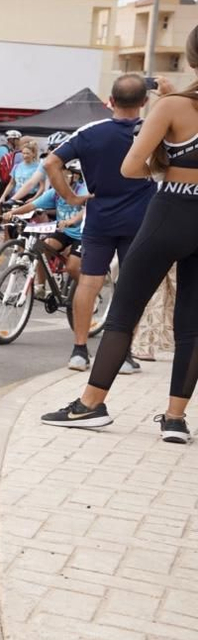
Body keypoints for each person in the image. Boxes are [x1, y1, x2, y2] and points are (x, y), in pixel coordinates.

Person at [42, 42, 198, 443]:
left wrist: (166, 164)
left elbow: (131, 167)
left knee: (124, 311)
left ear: (190, 59)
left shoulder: (173, 107)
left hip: (171, 211)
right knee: (193, 324)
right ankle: (175, 419)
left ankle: (91, 405)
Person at [46, 75, 159, 374]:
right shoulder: (152, 129)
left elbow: (50, 163)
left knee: (89, 281)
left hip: (99, 217)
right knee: (131, 286)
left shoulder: (90, 132)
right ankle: (123, 355)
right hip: (141, 219)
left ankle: (79, 351)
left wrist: (70, 197)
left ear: (110, 100)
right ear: (144, 102)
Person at [3, 160, 85, 287]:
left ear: (74, 177)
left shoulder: (82, 190)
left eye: (63, 176)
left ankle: (89, 290)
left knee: (72, 267)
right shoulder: (55, 192)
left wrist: (71, 221)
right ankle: (40, 287)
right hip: (64, 232)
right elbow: (32, 205)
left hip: (82, 235)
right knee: (42, 249)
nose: (58, 180)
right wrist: (13, 212)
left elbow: (87, 209)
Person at [0, 137, 42, 212]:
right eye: (23, 153)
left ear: (33, 154)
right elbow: (11, 183)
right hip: (17, 196)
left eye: (27, 153)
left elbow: (42, 186)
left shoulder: (38, 167)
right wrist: (3, 196)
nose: (25, 156)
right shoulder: (17, 166)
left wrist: (34, 198)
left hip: (31, 197)